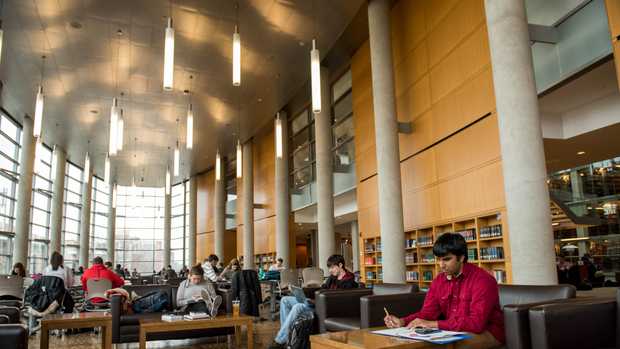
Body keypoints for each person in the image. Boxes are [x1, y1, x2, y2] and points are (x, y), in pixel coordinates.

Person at [383, 233, 504, 348]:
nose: (441, 265)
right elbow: (427, 314)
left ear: (461, 257)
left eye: (446, 259)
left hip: (488, 332)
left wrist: (433, 324)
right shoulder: (438, 281)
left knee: (452, 344)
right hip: (451, 331)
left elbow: (476, 324)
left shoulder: (483, 280)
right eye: (438, 259)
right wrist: (403, 321)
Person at [268, 254, 357, 349]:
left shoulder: (349, 282)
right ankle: (287, 337)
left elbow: (338, 300)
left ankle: (280, 340)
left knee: (298, 307)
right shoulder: (332, 278)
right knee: (285, 300)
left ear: (340, 265)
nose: (330, 270)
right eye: (329, 268)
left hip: (325, 308)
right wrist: (305, 292)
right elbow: (321, 289)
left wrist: (317, 301)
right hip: (317, 303)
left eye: (332, 267)